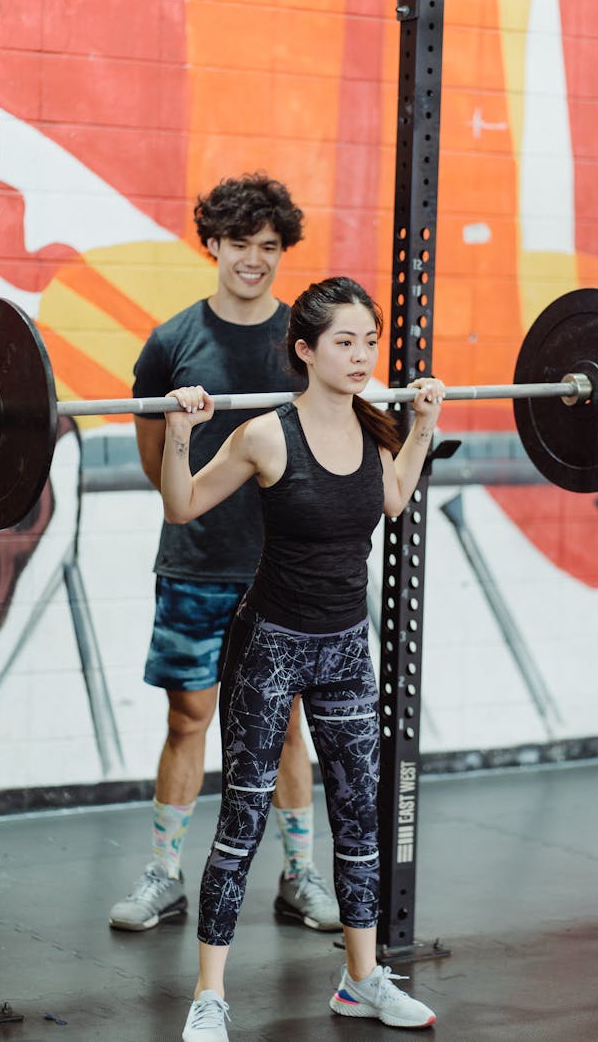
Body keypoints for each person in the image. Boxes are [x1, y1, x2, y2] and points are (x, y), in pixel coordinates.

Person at [161, 276, 444, 1039]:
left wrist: (422, 423)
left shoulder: (373, 424)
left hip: (347, 646)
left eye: (369, 342)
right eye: (344, 342)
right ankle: (209, 996)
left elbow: (390, 499)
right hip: (272, 646)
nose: (360, 356)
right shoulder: (264, 433)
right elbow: (182, 503)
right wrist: (185, 429)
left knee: (359, 814)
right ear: (306, 349)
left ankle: (360, 980)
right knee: (245, 816)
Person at [109, 175, 340, 934]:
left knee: (286, 728)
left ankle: (300, 877)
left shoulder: (300, 346)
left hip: (282, 569)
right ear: (212, 244)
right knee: (188, 718)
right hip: (197, 561)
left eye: (269, 247)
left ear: (282, 252)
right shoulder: (173, 342)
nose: (254, 260)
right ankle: (163, 875)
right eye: (240, 244)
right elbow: (156, 460)